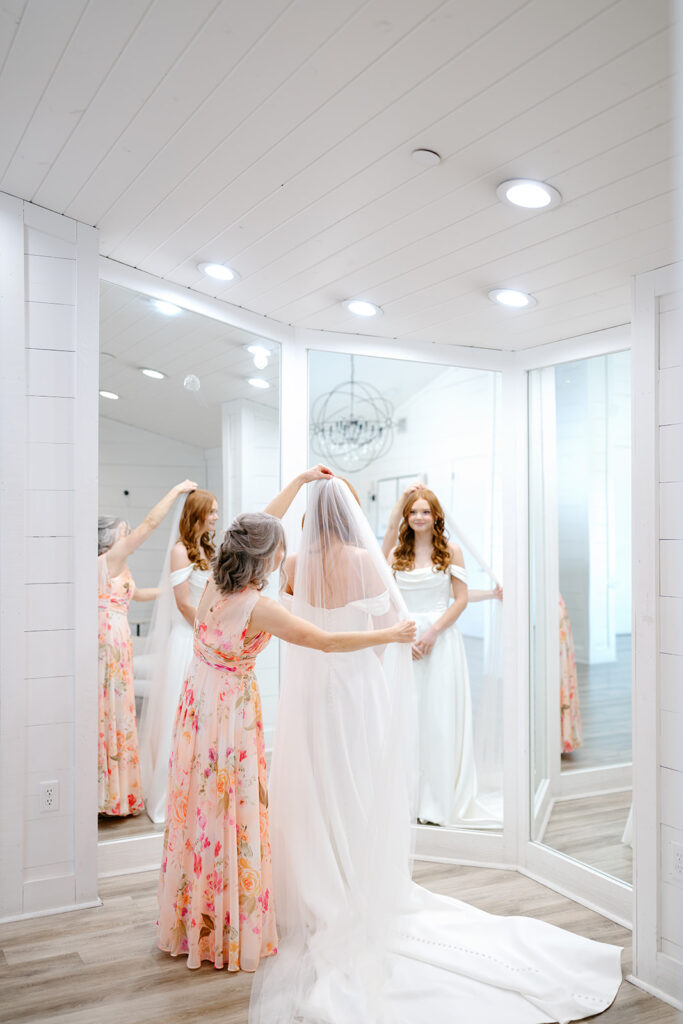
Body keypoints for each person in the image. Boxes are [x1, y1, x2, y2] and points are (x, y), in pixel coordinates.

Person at [249, 477, 622, 1024]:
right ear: (351, 511)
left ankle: (316, 886)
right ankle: (357, 879)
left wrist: (300, 483)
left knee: (315, 784)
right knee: (355, 782)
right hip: (354, 687)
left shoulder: (293, 564)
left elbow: (287, 593)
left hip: (307, 698)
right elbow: (388, 628)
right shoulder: (364, 559)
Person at [156, 479, 415, 973]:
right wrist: (392, 632)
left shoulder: (214, 582)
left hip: (196, 708)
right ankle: (230, 928)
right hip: (229, 718)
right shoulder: (260, 607)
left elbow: (251, 530)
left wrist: (296, 483)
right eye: (277, 550)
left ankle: (199, 916)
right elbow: (326, 642)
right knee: (232, 810)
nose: (284, 555)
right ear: (265, 559)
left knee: (201, 810)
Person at [384, 484, 500, 826]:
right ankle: (407, 800)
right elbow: (388, 600)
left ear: (436, 516)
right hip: (404, 639)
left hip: (441, 640)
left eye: (426, 511)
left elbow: (460, 599)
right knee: (406, 717)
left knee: (438, 716)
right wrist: (404, 636)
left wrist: (433, 632)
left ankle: (438, 800)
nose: (419, 517)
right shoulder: (395, 555)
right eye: (413, 511)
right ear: (406, 517)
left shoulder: (451, 551)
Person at [97, 479, 197, 817]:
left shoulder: (116, 568)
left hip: (118, 640)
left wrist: (173, 590)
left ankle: (117, 794)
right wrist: (175, 491)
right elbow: (150, 525)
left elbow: (135, 594)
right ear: (109, 539)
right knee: (109, 711)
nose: (128, 536)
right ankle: (106, 794)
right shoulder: (108, 559)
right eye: (123, 532)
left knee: (119, 711)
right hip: (107, 641)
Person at [139, 489, 219, 823]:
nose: (216, 516)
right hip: (188, 639)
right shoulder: (180, 551)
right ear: (197, 514)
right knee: (180, 716)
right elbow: (184, 602)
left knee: (206, 719)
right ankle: (172, 797)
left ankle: (201, 793)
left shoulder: (207, 548)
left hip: (205, 636)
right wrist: (206, 632)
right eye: (212, 511)